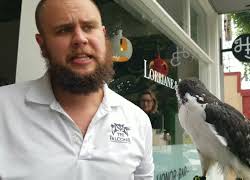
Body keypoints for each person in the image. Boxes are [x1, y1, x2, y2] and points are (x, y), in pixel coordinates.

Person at [0, 0, 154, 179]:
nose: (80, 38)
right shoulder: (4, 110)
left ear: (103, 35)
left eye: (89, 27)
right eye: (63, 30)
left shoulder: (137, 121)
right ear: (42, 44)